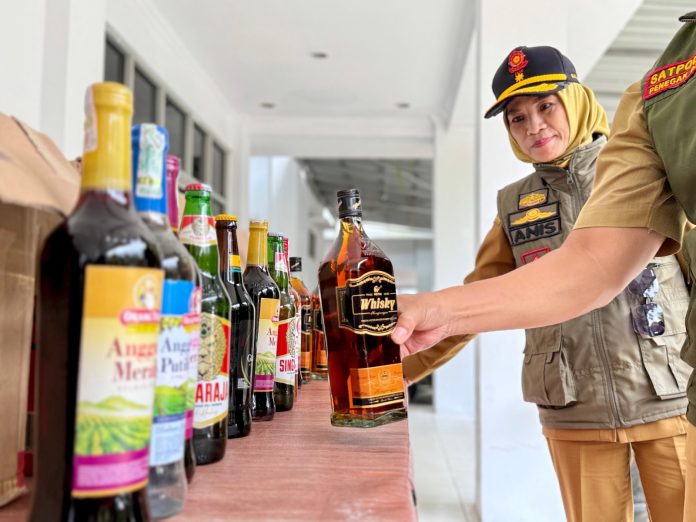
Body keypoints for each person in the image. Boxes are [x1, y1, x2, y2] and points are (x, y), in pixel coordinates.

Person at [392, 15, 696, 522]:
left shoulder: (643, 170)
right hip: (575, 408)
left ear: (575, 100)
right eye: (517, 117)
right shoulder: (513, 206)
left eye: (545, 106)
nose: (533, 126)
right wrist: (398, 372)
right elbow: (476, 301)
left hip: (668, 394)